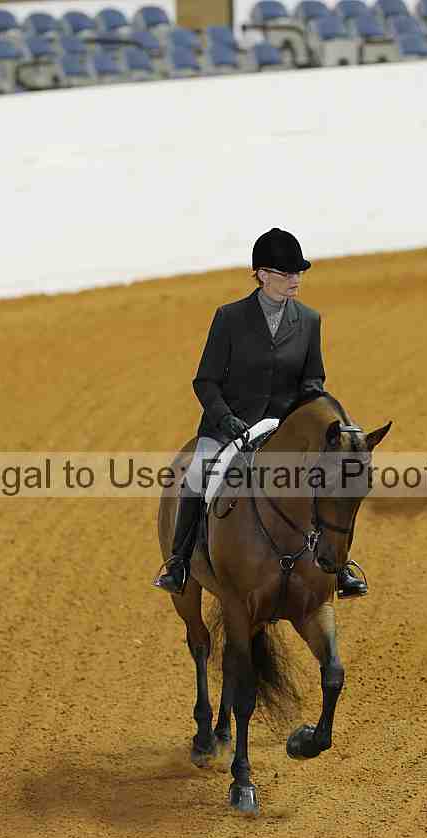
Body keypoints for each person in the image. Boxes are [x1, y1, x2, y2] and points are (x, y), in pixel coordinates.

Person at [154, 227, 368, 598]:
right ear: (263, 275)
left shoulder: (309, 320)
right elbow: (205, 381)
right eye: (287, 273)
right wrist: (225, 418)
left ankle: (339, 567)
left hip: (283, 426)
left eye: (299, 272)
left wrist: (321, 413)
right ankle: (179, 562)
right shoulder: (229, 318)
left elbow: (312, 380)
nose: (296, 279)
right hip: (230, 425)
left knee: (335, 477)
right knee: (197, 474)